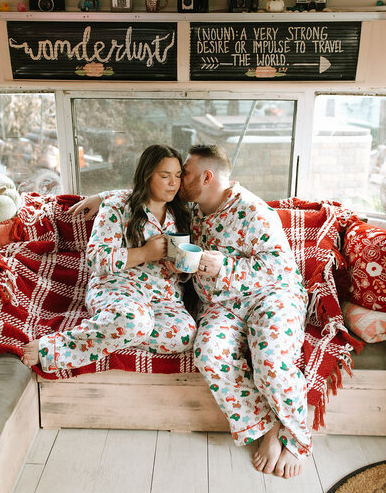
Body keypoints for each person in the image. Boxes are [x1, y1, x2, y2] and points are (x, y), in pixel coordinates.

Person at [60, 144, 311, 479]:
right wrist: (101, 195)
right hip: (221, 305)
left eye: (185, 174)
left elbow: (281, 272)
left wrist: (222, 267)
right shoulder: (190, 209)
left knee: (270, 360)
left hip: (270, 297)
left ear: (206, 177)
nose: (178, 181)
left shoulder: (254, 213)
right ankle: (263, 426)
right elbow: (147, 192)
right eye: (173, 175)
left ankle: (296, 438)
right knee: (207, 352)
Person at [22, 144, 196, 372]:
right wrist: (143, 253)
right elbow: (96, 258)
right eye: (165, 176)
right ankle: (52, 347)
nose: (173, 183)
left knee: (184, 336)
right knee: (134, 321)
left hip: (163, 297)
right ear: (147, 175)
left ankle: (114, 333)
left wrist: (181, 270)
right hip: (119, 288)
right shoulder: (117, 207)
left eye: (177, 176)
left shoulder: (181, 214)